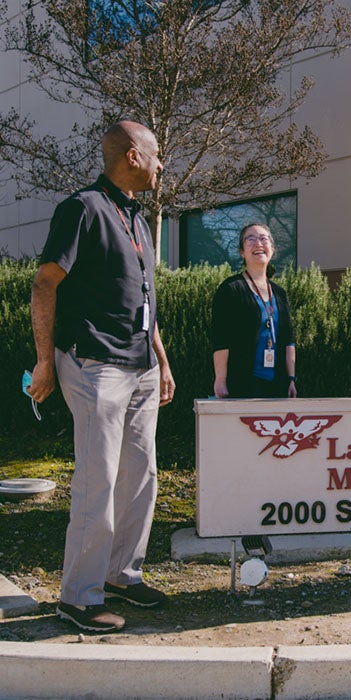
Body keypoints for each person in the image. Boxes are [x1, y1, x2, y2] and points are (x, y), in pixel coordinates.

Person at [29, 121, 176, 632]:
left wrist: (160, 356)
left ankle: (121, 575)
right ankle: (78, 596)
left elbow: (142, 298)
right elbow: (45, 282)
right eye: (157, 156)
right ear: (133, 157)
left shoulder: (136, 218)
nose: (162, 166)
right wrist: (45, 361)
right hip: (94, 365)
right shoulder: (83, 208)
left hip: (139, 366)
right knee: (99, 481)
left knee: (141, 478)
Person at [211, 223, 297, 399]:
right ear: (242, 251)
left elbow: (289, 339)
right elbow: (221, 338)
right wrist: (220, 379)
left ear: (272, 249)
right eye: (250, 239)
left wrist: (291, 378)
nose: (258, 243)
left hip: (278, 382)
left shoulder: (279, 293)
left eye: (264, 239)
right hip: (243, 382)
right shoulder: (230, 288)